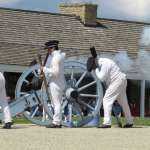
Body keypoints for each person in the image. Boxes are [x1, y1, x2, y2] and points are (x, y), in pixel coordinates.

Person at [86, 46, 133, 128]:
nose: (93, 69)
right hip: (119, 81)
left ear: (94, 63)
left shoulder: (104, 63)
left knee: (106, 99)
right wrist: (95, 69)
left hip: (117, 81)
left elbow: (101, 78)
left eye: (93, 67)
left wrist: (96, 69)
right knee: (124, 103)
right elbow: (101, 78)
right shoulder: (99, 64)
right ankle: (130, 122)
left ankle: (107, 123)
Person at [41, 40, 66, 128]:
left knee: (56, 103)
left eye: (48, 49)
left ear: (52, 48)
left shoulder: (56, 58)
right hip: (58, 82)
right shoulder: (58, 56)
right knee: (57, 103)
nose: (47, 51)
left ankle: (56, 122)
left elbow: (55, 72)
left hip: (56, 82)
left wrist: (44, 69)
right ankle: (57, 121)